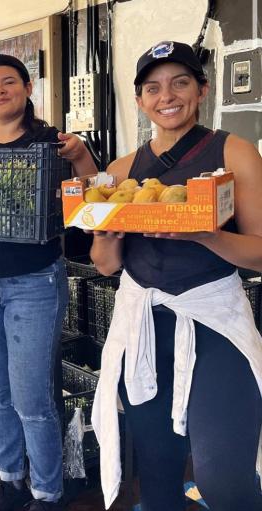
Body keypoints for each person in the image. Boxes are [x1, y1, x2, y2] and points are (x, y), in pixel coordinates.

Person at [86, 41, 262, 510]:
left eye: (181, 82)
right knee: (159, 476)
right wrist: (107, 228)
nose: (168, 95)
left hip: (213, 322)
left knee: (223, 477)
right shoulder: (121, 171)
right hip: (143, 326)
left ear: (202, 89)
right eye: (153, 87)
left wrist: (205, 236)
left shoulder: (234, 152)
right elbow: (105, 264)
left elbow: (261, 253)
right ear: (141, 99)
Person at [0, 54, 96, 511]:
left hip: (34, 281)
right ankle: (12, 483)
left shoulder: (50, 141)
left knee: (33, 399)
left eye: (8, 82)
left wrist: (81, 158)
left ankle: (47, 494)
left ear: (27, 87)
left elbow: (93, 195)